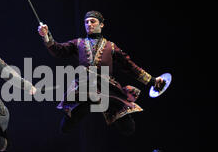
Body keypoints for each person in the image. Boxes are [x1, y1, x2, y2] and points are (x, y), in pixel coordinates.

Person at [37, 11, 166, 136]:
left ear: (101, 24)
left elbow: (130, 66)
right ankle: (78, 110)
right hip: (85, 86)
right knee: (66, 126)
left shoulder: (111, 47)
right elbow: (58, 50)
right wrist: (46, 35)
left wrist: (153, 81)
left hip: (106, 87)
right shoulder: (78, 43)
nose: (89, 24)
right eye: (86, 22)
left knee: (128, 127)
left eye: (92, 21)